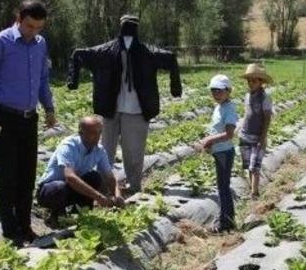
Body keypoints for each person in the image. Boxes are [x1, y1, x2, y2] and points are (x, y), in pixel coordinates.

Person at [67, 14, 182, 194]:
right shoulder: (113, 50)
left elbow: (78, 53)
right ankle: (105, 186)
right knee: (106, 152)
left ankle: (132, 187)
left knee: (131, 152)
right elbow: (78, 54)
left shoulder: (144, 52)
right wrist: (72, 80)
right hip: (110, 109)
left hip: (135, 110)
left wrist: (176, 88)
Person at [0, 0, 56, 246]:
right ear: (19, 18)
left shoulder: (40, 45)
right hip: (4, 117)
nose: (33, 32)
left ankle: (25, 226)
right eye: (29, 26)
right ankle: (11, 232)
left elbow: (43, 79)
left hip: (29, 118)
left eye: (38, 28)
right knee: (7, 175)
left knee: (27, 174)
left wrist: (49, 107)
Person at [37, 116, 124, 224]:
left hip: (71, 189)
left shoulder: (99, 150)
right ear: (81, 133)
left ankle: (81, 215)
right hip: (49, 191)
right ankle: (57, 215)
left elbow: (110, 176)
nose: (97, 136)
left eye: (99, 132)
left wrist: (117, 194)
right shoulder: (68, 146)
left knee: (94, 177)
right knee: (60, 187)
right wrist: (99, 197)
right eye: (92, 132)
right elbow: (70, 177)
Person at [196, 75, 238, 232]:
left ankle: (225, 222)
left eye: (219, 90)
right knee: (222, 186)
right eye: (213, 90)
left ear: (228, 91)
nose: (216, 94)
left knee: (223, 187)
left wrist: (210, 140)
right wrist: (210, 142)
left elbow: (229, 134)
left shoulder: (229, 109)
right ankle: (227, 219)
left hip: (224, 153)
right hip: (218, 152)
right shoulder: (219, 107)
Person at [239, 63, 274, 198]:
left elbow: (267, 118)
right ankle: (252, 191)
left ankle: (254, 193)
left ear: (261, 82)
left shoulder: (265, 98)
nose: (250, 83)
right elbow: (246, 114)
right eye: (249, 80)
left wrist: (263, 137)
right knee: (248, 165)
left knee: (255, 166)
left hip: (257, 136)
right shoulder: (248, 95)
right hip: (245, 135)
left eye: (254, 80)